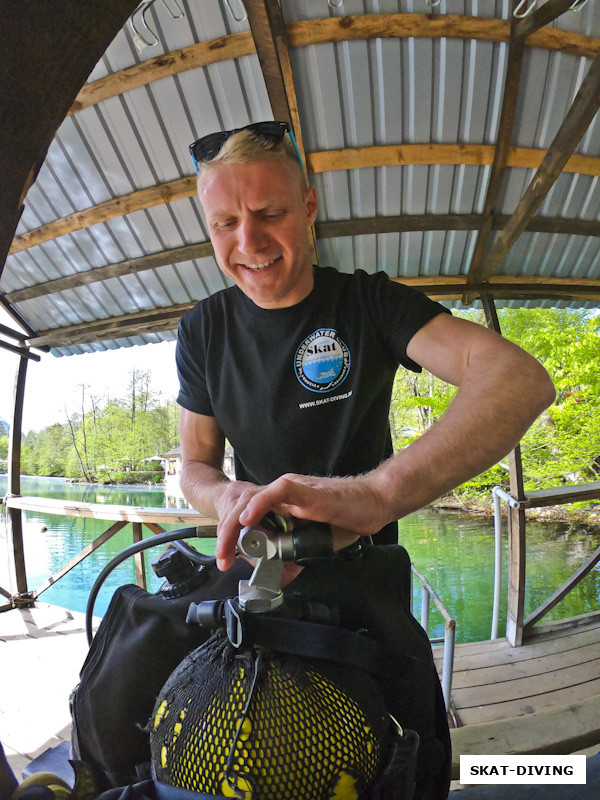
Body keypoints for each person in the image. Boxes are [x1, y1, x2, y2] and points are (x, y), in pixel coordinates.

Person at [176, 120, 555, 578]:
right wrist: (224, 497)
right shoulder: (201, 328)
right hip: (262, 561)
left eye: (270, 213)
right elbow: (196, 463)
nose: (249, 242)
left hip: (366, 567)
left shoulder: (370, 302)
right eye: (226, 223)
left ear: (309, 206)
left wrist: (376, 495)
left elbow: (518, 379)